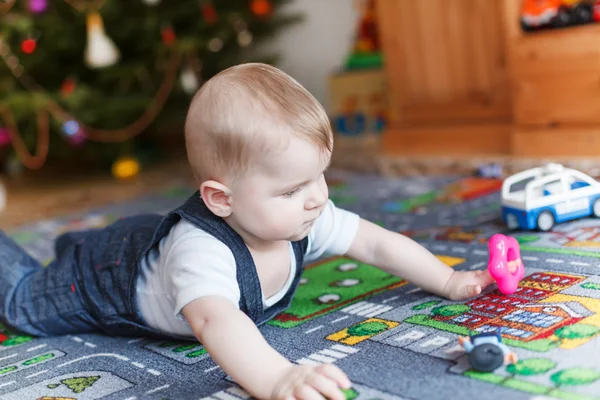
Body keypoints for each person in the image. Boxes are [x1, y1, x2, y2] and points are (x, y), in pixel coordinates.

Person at [0, 63, 494, 400]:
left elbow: (375, 241)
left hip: (144, 246)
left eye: (319, 176)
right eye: (291, 189)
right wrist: (278, 377)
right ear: (222, 199)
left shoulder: (304, 213)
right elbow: (216, 322)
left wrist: (447, 280)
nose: (317, 197)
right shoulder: (201, 251)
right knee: (20, 303)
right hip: (97, 281)